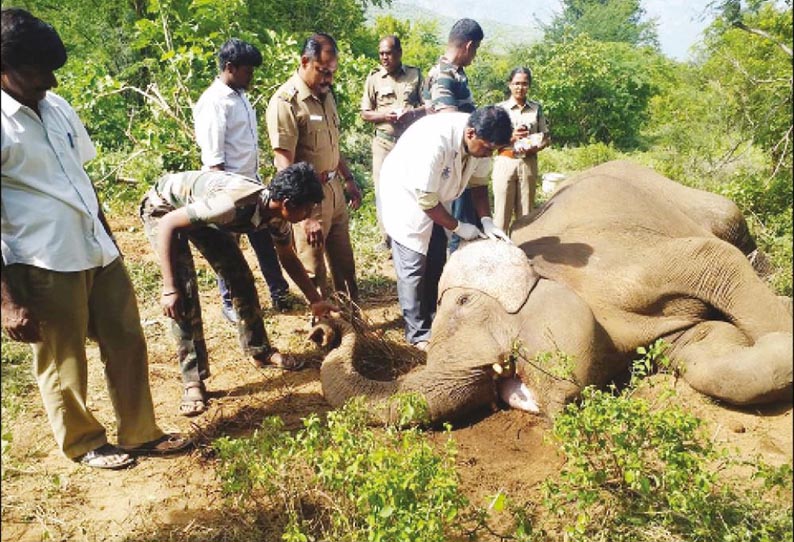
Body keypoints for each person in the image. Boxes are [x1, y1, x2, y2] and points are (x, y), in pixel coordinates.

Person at [1, 8, 189, 470]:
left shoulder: (57, 107)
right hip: (43, 259)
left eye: (52, 69)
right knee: (63, 360)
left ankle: (140, 431)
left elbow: (81, 177)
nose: (50, 80)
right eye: (37, 71)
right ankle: (84, 442)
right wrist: (6, 302)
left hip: (95, 248)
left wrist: (108, 236)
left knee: (126, 338)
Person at [139, 163, 339, 417]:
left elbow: (287, 257)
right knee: (184, 292)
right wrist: (169, 288)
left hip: (200, 211)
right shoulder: (232, 204)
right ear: (287, 203)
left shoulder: (277, 215)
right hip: (164, 209)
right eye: (307, 207)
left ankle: (260, 351)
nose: (309, 213)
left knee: (240, 277)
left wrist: (315, 300)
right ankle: (193, 381)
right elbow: (169, 223)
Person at [378, 106, 512, 351]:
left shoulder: (481, 144)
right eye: (487, 148)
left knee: (436, 257)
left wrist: (486, 220)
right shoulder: (435, 141)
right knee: (413, 265)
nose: (488, 155)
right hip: (406, 195)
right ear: (471, 133)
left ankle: (432, 316)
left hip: (436, 196)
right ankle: (417, 334)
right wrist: (459, 226)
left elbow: (479, 185)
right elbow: (426, 201)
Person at [194, 38, 292, 322]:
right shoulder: (214, 102)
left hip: (252, 185)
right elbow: (214, 159)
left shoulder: (239, 94)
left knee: (265, 239)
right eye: (248, 70)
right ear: (230, 67)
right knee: (229, 249)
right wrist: (223, 200)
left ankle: (279, 291)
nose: (252, 76)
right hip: (228, 190)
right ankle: (230, 303)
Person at [266, 33, 362, 303]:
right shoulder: (286, 103)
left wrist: (348, 179)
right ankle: (325, 332)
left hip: (334, 193)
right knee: (314, 271)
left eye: (332, 73)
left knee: (345, 266)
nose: (328, 79)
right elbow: (283, 162)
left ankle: (351, 323)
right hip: (309, 199)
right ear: (305, 61)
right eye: (323, 71)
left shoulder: (326, 96)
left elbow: (333, 145)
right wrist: (304, 215)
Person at [422, 18, 485, 253]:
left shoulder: (457, 73)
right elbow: (449, 120)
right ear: (469, 46)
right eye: (475, 49)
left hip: (462, 159)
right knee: (460, 228)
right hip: (451, 161)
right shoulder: (443, 75)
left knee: (468, 221)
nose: (474, 55)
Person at [360, 35, 425, 251]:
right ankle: (386, 237)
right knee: (382, 190)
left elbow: (428, 107)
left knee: (410, 187)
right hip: (383, 143)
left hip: (409, 142)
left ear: (399, 53)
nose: (384, 57)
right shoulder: (374, 78)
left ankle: (408, 232)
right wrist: (386, 115)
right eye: (381, 53)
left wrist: (411, 113)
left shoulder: (415, 75)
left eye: (388, 53)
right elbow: (365, 113)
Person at [492, 67, 550, 233]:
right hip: (505, 160)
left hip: (528, 162)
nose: (520, 87)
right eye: (516, 83)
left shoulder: (536, 109)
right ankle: (499, 253)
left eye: (524, 84)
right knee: (501, 213)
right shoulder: (499, 109)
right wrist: (511, 137)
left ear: (529, 86)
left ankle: (526, 251)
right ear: (509, 85)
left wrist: (537, 145)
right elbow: (490, 141)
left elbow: (545, 137)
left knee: (526, 214)